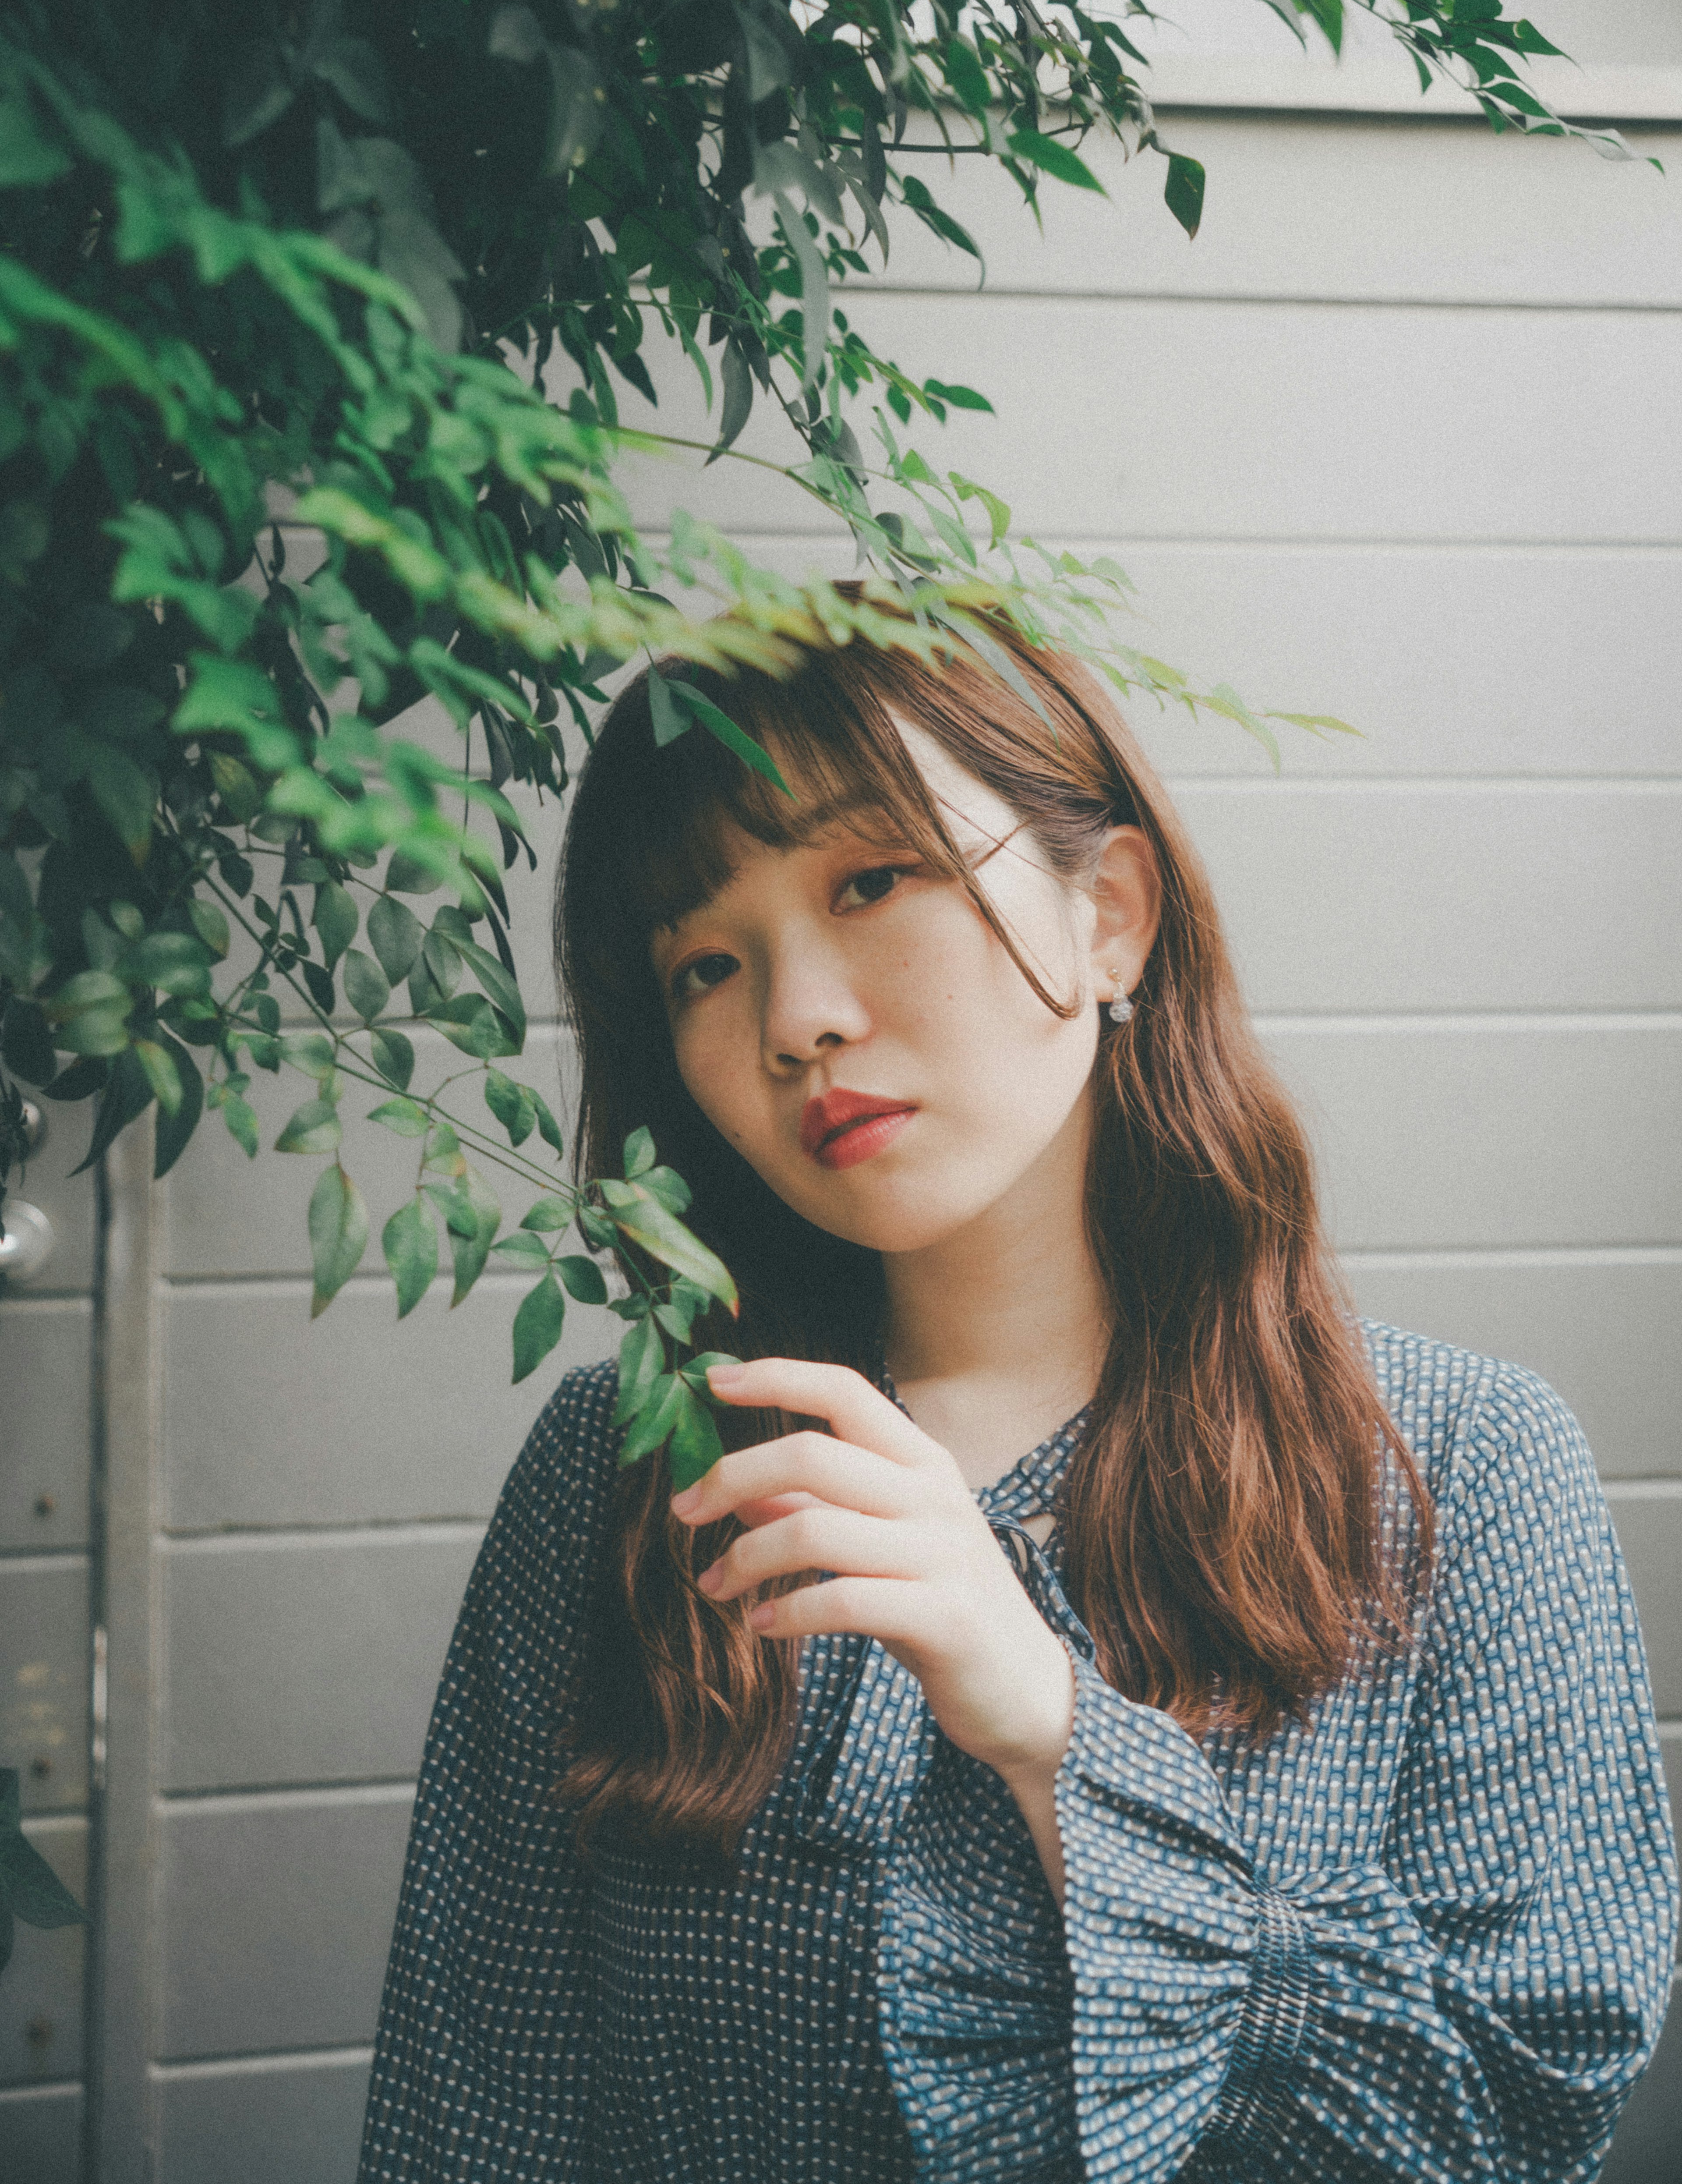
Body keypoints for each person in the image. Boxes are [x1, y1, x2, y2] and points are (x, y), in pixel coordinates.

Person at [358, 616, 1678, 2184]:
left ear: (1110, 916)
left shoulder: (1459, 1465)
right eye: (705, 964)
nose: (796, 1019)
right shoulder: (634, 1463)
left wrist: (1058, 1736)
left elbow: (1515, 2120)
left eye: (870, 882)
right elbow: (471, 2109)